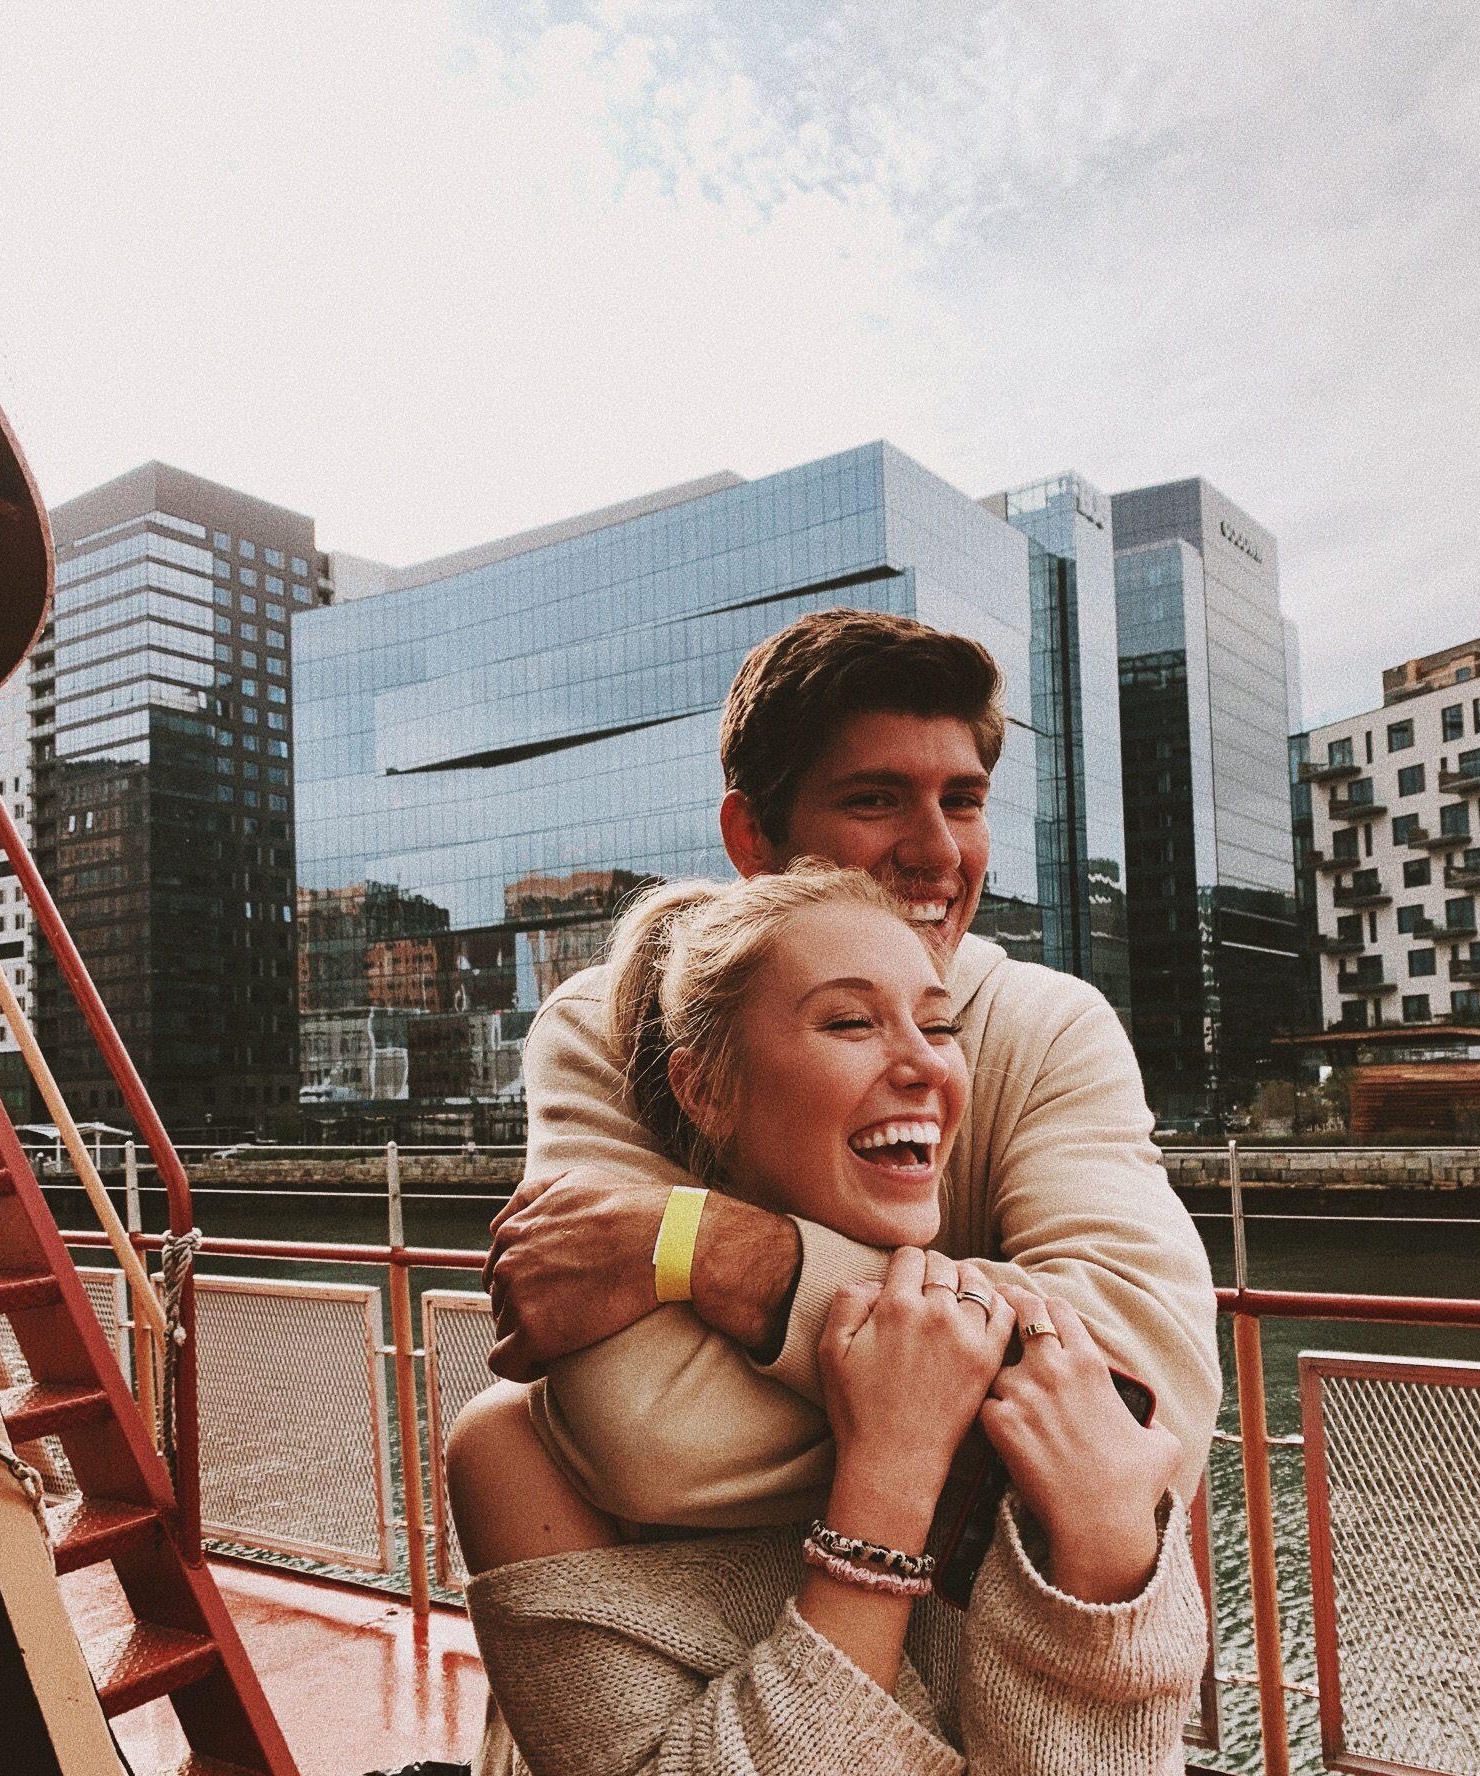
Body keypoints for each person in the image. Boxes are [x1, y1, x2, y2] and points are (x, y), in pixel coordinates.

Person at [446, 862, 1207, 1776]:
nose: (920, 1063)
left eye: (936, 1022)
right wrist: (885, 1487)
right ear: (702, 1085)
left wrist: (1107, 1568)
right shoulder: (518, 1455)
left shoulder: (1021, 1347)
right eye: (849, 1021)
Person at [479, 607, 1221, 1527]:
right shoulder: (617, 1022)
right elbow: (657, 1439)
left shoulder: (1050, 1026)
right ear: (752, 838)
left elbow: (1153, 1392)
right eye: (875, 799)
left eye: (963, 800)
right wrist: (1020, 1430)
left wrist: (722, 1254)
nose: (940, 853)